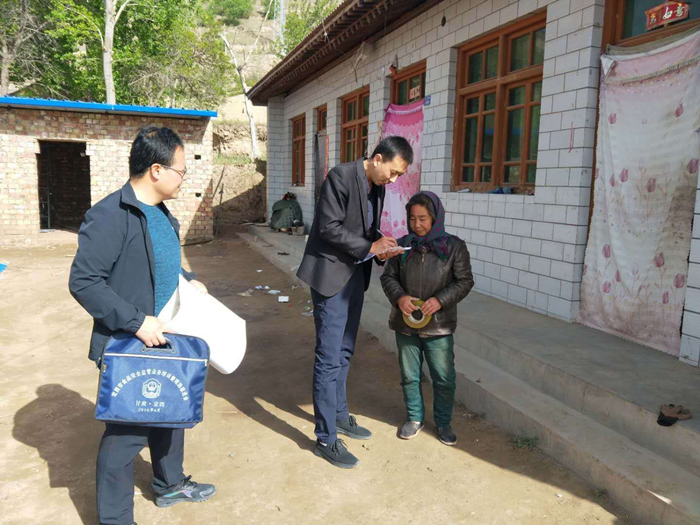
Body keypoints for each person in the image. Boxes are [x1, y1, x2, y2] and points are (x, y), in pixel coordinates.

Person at [69, 126, 215, 525]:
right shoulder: (110, 216)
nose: (184, 178)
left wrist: (187, 281)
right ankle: (115, 519)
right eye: (181, 170)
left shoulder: (161, 214)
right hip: (129, 343)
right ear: (156, 170)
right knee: (126, 436)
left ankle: (170, 484)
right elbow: (84, 282)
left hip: (166, 334)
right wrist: (135, 322)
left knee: (172, 412)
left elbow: (158, 266)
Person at [297, 136, 414, 469]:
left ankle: (339, 414)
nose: (393, 180)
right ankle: (325, 438)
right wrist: (369, 247)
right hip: (331, 277)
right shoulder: (340, 176)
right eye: (393, 172)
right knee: (328, 356)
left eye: (398, 176)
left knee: (345, 350)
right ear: (377, 159)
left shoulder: (377, 186)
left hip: (354, 277)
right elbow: (328, 228)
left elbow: (365, 229)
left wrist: (381, 245)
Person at [380, 191, 474, 446]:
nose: (417, 224)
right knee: (409, 375)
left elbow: (465, 281)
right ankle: (414, 418)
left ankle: (443, 423)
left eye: (422, 218)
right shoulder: (402, 246)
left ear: (435, 217)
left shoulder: (454, 247)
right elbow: (388, 277)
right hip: (405, 323)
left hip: (438, 326)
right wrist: (400, 298)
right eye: (412, 218)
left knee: (444, 378)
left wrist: (440, 300)